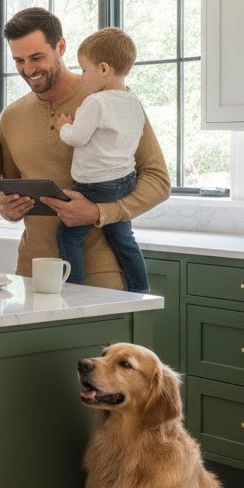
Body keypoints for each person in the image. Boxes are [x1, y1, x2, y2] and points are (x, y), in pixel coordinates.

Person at [0, 8, 169, 290]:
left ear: (60, 47)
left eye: (37, 57)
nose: (28, 70)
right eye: (19, 60)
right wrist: (8, 208)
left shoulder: (111, 99)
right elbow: (10, 190)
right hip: (31, 273)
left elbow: (158, 181)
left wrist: (100, 212)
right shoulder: (11, 117)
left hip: (101, 275)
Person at [54, 29, 149, 292]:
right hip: (124, 180)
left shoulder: (95, 102)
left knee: (69, 234)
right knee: (124, 238)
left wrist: (64, 125)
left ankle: (73, 288)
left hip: (93, 183)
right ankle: (140, 288)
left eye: (84, 70)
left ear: (104, 68)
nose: (82, 76)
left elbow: (77, 138)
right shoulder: (134, 101)